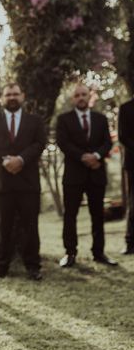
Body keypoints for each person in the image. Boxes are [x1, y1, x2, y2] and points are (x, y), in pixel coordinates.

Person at [0, 83, 46, 281]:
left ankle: (33, 266)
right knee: (3, 226)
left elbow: (39, 143)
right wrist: (5, 161)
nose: (12, 97)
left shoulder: (35, 121)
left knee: (30, 226)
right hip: (2, 183)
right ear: (1, 98)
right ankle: (1, 266)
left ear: (23, 96)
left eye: (15, 94)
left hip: (28, 182)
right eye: (8, 94)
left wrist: (20, 159)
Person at [56, 84, 117, 267]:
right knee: (70, 215)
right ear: (73, 99)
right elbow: (63, 143)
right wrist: (84, 157)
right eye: (77, 95)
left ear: (89, 97)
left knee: (97, 215)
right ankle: (70, 253)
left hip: (96, 174)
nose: (81, 97)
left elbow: (107, 142)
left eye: (84, 94)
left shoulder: (101, 119)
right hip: (73, 176)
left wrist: (97, 156)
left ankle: (99, 253)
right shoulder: (64, 119)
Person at [118, 96, 134, 255]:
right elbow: (123, 136)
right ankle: (130, 243)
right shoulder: (126, 108)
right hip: (133, 163)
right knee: (133, 203)